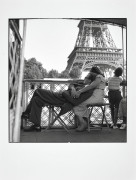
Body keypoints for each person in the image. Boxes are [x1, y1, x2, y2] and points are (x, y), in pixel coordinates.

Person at [22, 70, 97, 131]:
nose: (84, 78)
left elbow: (76, 102)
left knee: (38, 90)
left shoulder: (89, 91)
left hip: (62, 100)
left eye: (86, 77)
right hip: (59, 96)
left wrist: (65, 93)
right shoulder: (81, 83)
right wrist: (73, 89)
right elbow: (71, 84)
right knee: (36, 100)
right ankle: (37, 126)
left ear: (90, 81)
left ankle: (27, 113)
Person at [72, 66, 106, 132]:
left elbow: (92, 86)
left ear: (93, 72)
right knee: (80, 104)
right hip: (97, 96)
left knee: (76, 104)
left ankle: (83, 123)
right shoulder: (100, 77)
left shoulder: (99, 77)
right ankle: (86, 122)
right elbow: (88, 84)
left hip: (96, 97)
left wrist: (79, 91)